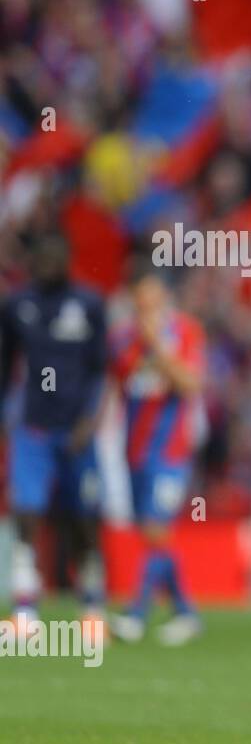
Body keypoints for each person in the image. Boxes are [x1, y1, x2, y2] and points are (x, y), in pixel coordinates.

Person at [0, 230, 108, 634]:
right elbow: (5, 362)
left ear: (67, 261)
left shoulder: (89, 304)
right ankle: (25, 606)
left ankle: (92, 606)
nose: (46, 267)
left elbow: (101, 372)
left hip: (77, 427)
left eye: (54, 260)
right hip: (33, 427)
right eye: (39, 260)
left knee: (81, 518)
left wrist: (89, 422)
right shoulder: (17, 306)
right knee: (27, 511)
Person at [108, 266, 207, 646]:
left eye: (150, 294)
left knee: (155, 526)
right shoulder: (121, 337)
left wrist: (158, 347)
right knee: (153, 534)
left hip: (171, 450)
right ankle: (186, 612)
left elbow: (191, 383)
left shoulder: (185, 332)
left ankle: (136, 614)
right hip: (133, 448)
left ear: (164, 296)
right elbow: (119, 382)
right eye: (138, 296)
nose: (143, 302)